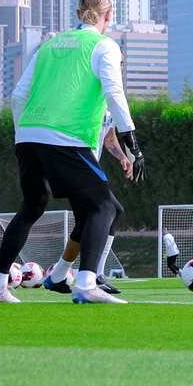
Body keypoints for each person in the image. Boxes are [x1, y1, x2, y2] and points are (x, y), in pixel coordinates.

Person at [0, 0, 146, 304]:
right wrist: (133, 145)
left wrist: (23, 136)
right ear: (109, 15)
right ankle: (86, 283)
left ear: (77, 13)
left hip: (29, 136)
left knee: (31, 207)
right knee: (105, 207)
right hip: (67, 139)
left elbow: (18, 95)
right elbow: (115, 94)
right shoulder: (104, 46)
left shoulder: (48, 45)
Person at [43, 115, 134, 295]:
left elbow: (109, 138)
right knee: (112, 209)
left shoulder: (111, 104)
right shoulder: (86, 99)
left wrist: (123, 157)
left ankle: (57, 277)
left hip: (88, 166)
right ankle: (94, 276)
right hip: (76, 164)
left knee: (85, 222)